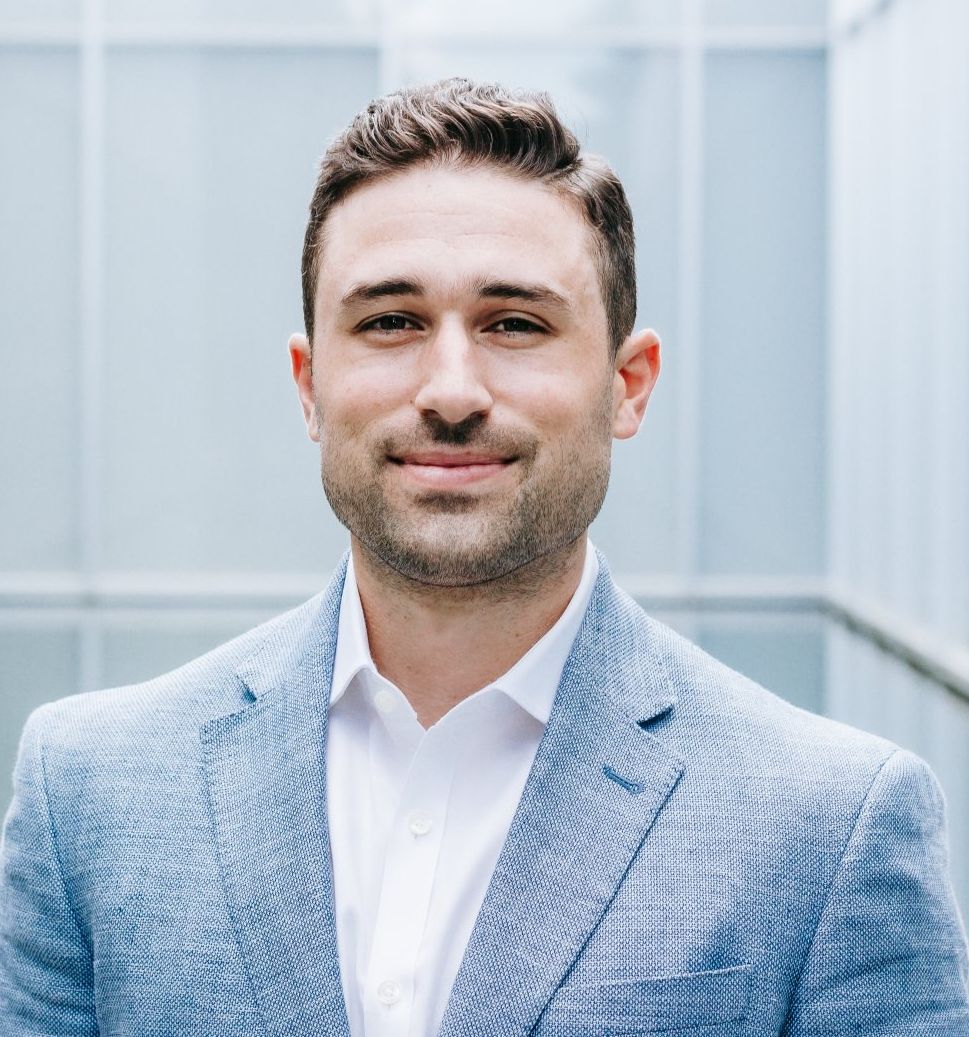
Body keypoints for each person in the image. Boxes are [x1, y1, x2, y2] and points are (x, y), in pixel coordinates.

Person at [1, 78, 967, 1036]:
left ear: (627, 385)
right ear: (308, 385)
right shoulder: (90, 791)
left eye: (515, 324)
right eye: (390, 321)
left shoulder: (831, 827)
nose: (451, 391)